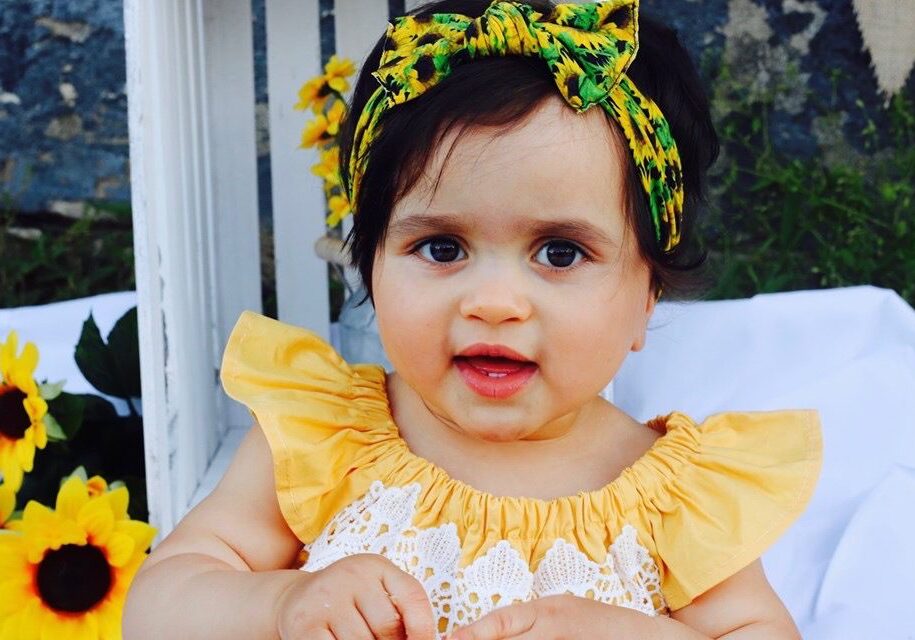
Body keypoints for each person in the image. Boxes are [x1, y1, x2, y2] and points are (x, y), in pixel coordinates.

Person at [123, 1, 823, 638]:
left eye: (559, 252)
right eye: (441, 247)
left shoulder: (676, 501)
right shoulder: (327, 439)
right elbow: (159, 606)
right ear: (369, 265)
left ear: (646, 297)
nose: (493, 302)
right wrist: (277, 606)